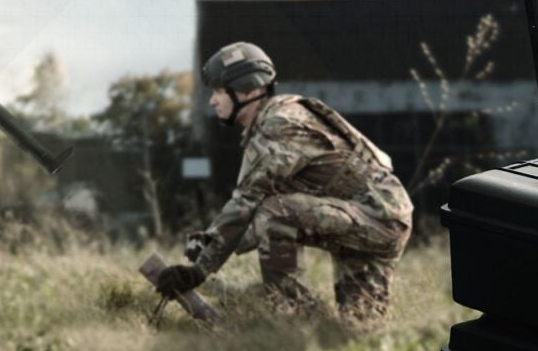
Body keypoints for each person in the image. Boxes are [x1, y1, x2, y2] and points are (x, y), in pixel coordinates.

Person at [155, 41, 413, 328]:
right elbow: (252, 218)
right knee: (359, 330)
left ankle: (297, 320)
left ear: (247, 90)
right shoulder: (274, 122)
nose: (212, 101)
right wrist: (209, 244)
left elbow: (249, 203)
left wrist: (199, 270)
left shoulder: (280, 125)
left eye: (218, 91)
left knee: (274, 211)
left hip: (376, 218)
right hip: (373, 220)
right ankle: (322, 335)